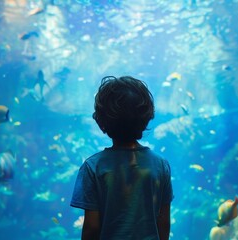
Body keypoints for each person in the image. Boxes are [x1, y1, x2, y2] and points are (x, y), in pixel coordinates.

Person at [70, 76, 174, 240]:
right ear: (146, 117)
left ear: (101, 121)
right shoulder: (160, 165)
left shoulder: (93, 167)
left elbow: (91, 227)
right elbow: (164, 222)